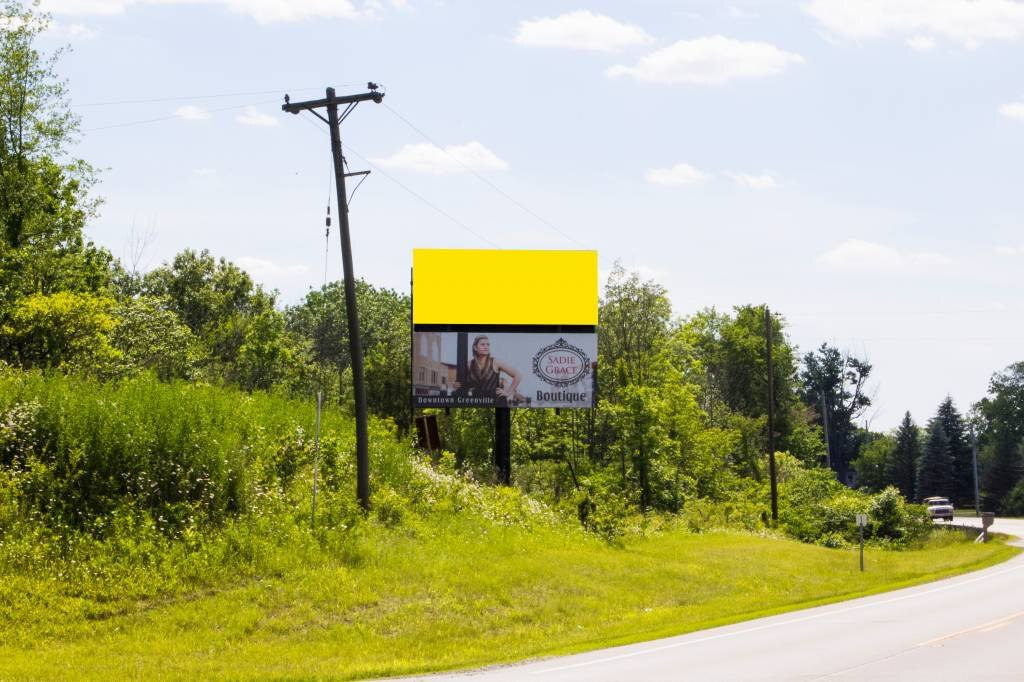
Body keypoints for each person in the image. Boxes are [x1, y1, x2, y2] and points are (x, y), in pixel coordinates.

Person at [453, 335, 522, 402]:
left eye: (488, 344)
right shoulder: (469, 364)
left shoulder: (495, 362)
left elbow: (518, 375)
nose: (486, 347)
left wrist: (508, 392)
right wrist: (456, 385)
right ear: (475, 347)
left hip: (496, 401)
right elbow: (467, 384)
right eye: (482, 344)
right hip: (479, 401)